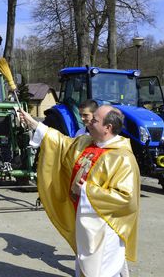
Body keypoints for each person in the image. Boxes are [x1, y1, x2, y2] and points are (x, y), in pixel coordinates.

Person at [19, 105, 140, 277]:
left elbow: (125, 198)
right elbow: (61, 143)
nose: (88, 122)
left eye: (94, 120)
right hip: (84, 221)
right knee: (84, 267)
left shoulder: (123, 159)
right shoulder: (86, 142)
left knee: (101, 270)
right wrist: (34, 124)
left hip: (104, 228)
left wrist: (85, 190)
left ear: (108, 128)